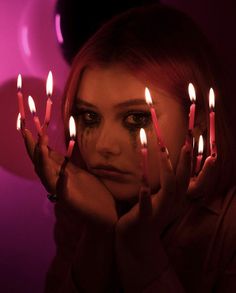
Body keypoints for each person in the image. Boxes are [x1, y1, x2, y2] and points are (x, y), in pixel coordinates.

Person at [22, 2, 236, 292]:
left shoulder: (228, 225)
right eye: (89, 117)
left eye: (136, 118)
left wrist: (139, 250)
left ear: (196, 121)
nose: (104, 146)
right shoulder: (81, 205)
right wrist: (97, 237)